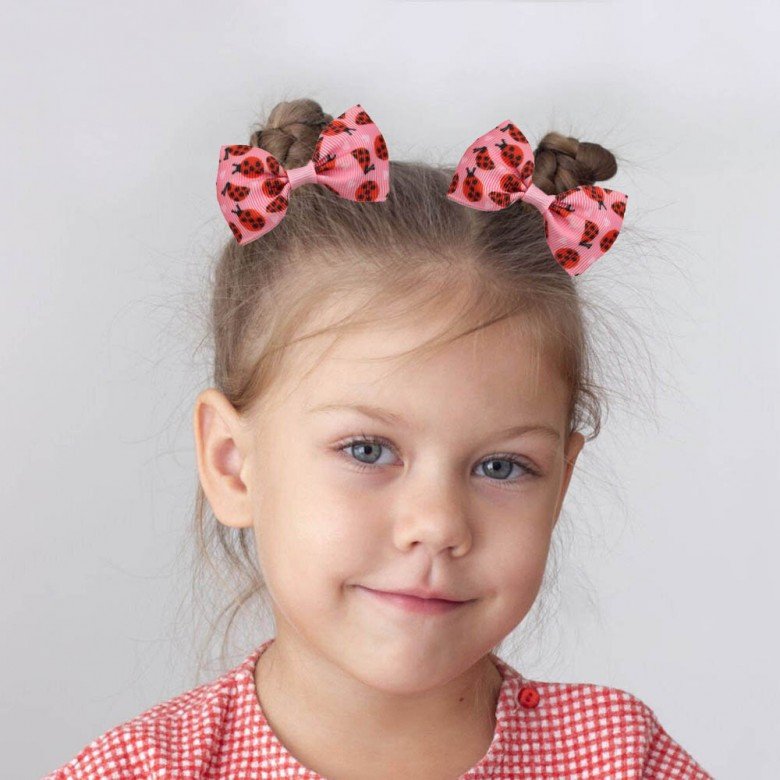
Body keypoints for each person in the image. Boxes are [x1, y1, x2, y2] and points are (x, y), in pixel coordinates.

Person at [43, 99, 713, 779]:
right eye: (367, 450)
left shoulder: (620, 760)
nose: (438, 526)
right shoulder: (140, 771)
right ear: (233, 464)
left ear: (561, 486)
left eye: (502, 466)